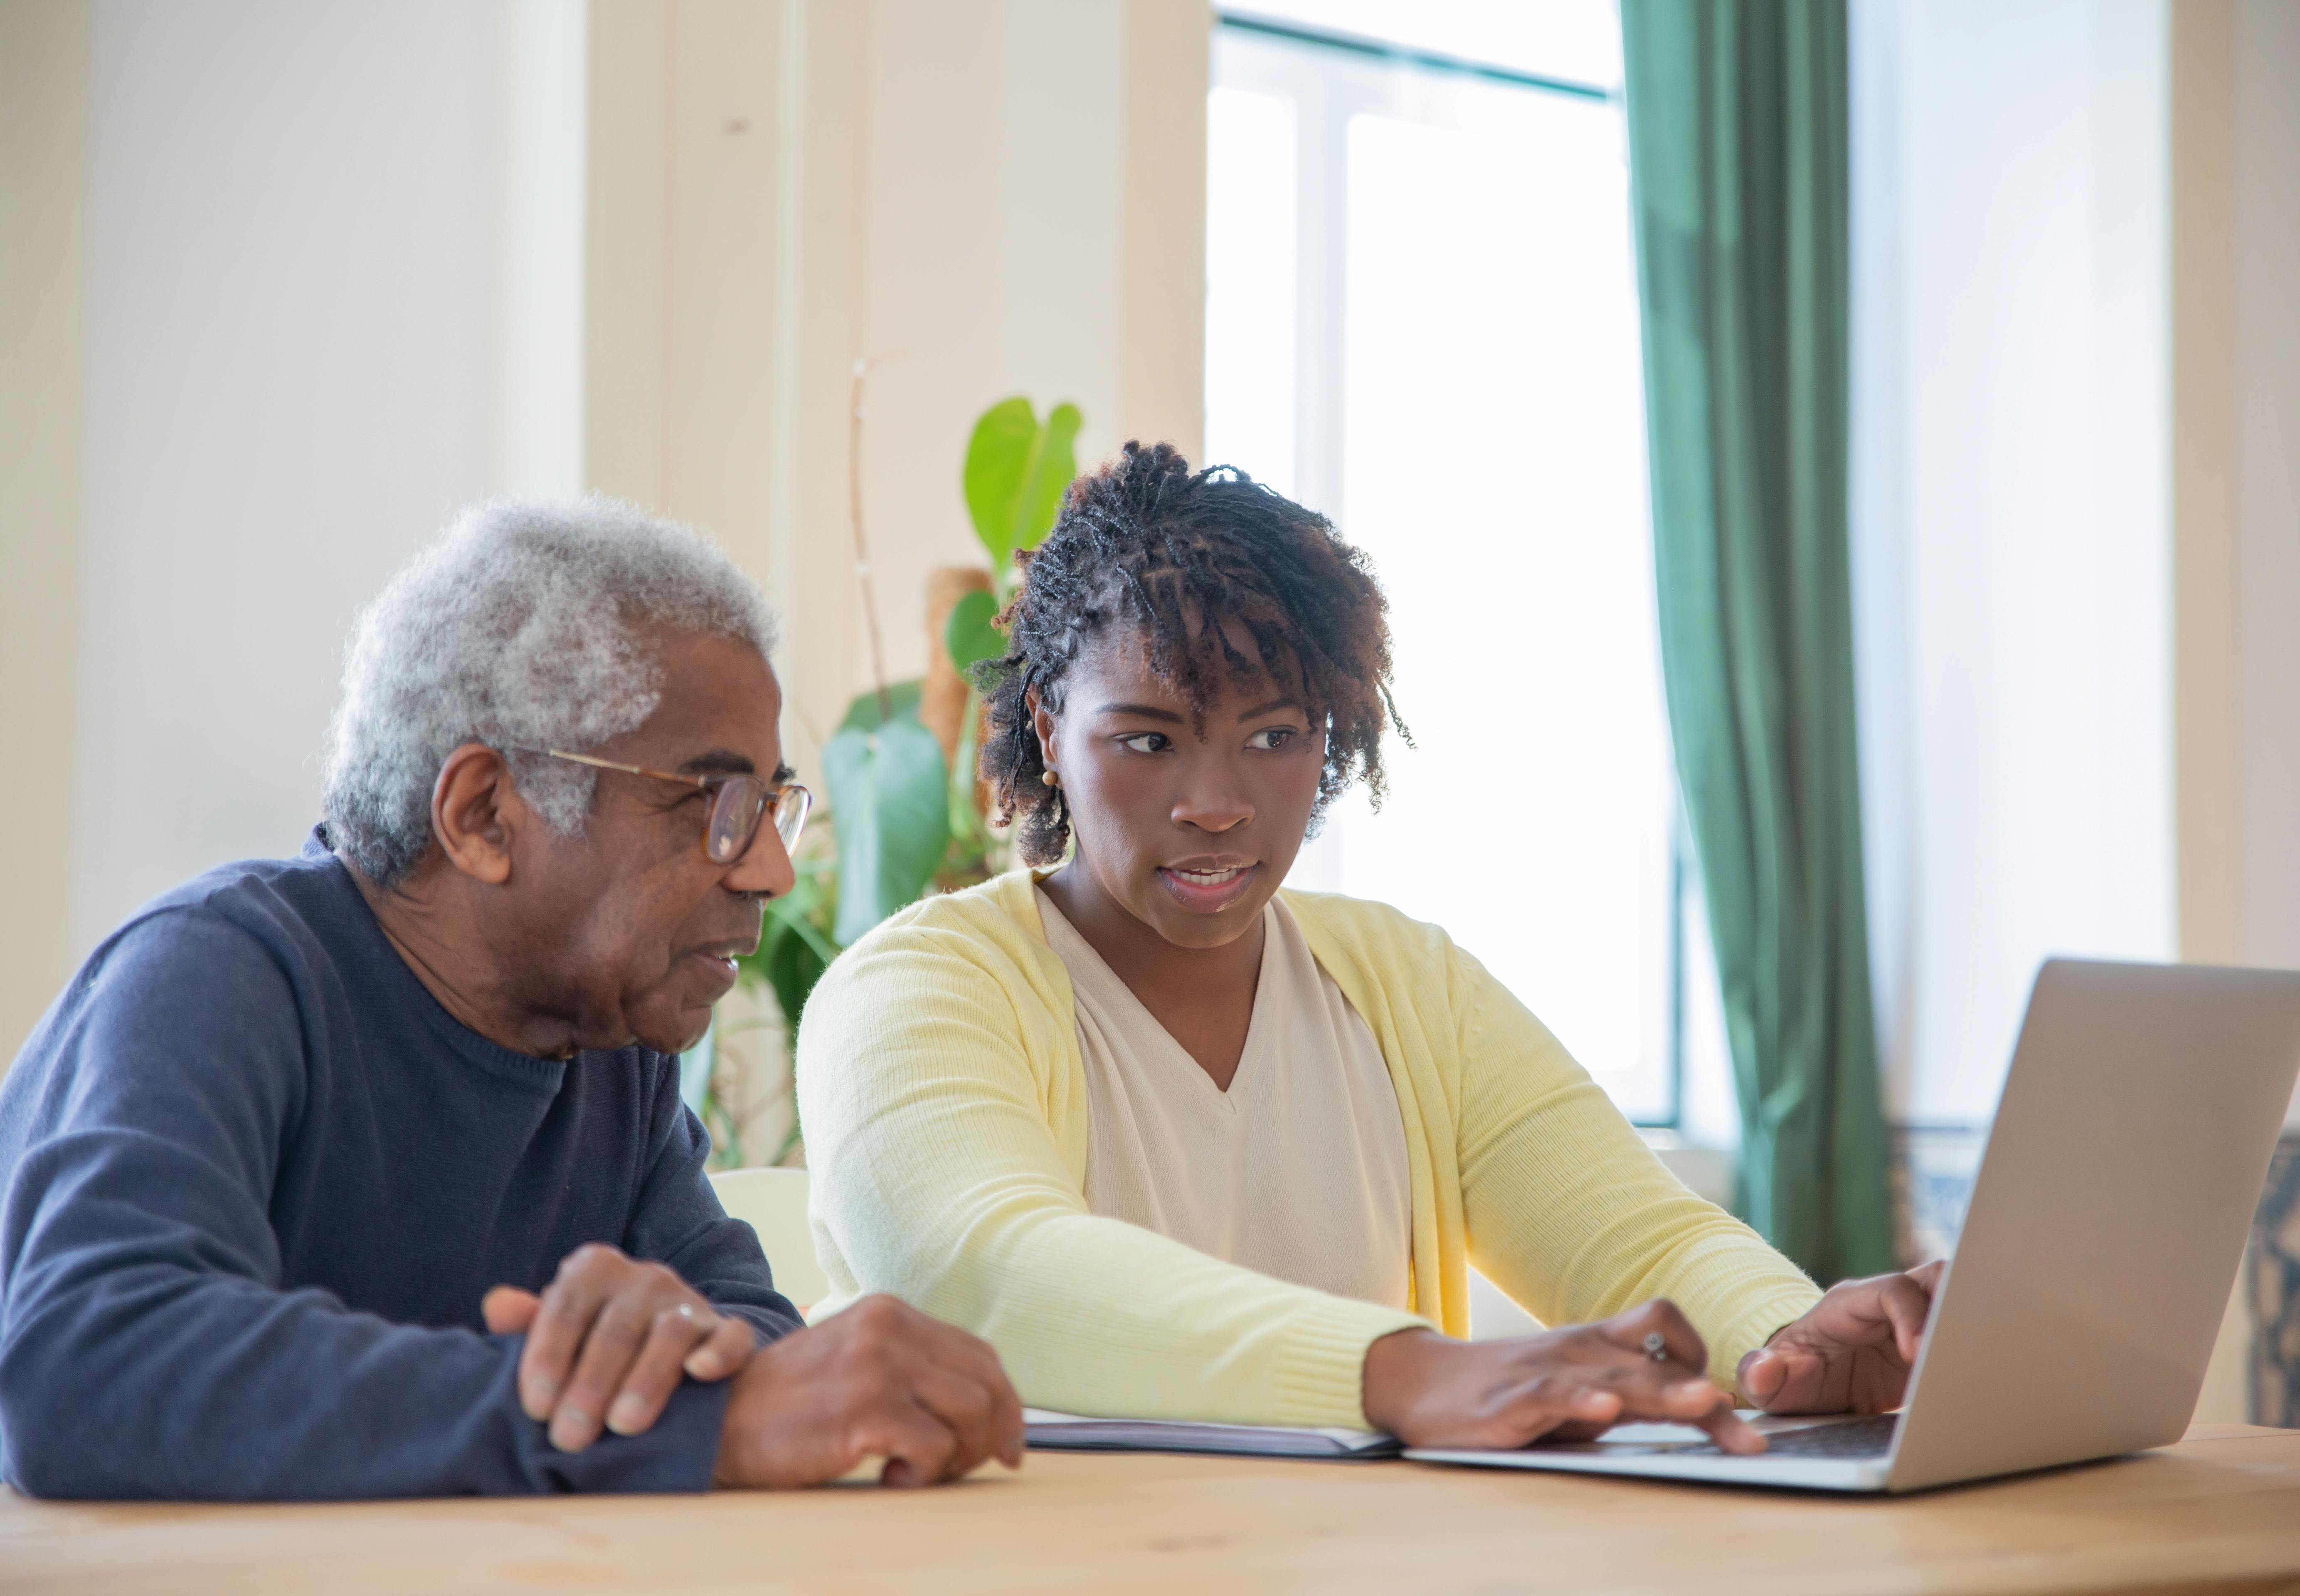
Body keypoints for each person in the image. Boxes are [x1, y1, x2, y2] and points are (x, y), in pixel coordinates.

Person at [797, 445, 1944, 1452]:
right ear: (1048, 728)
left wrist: (1788, 1346)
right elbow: (986, 1272)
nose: (1216, 803)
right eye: (1146, 740)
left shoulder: (1409, 986)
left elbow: (1634, 1238)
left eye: (1275, 737)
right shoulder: (914, 993)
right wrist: (1405, 1372)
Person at [0, 500, 1022, 1498]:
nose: (768, 873)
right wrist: (669, 1422)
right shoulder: (216, 978)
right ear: (483, 814)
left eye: (769, 808)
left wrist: (683, 1364)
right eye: (714, 806)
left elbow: (745, 1323)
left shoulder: (610, 1046)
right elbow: (91, 1365)